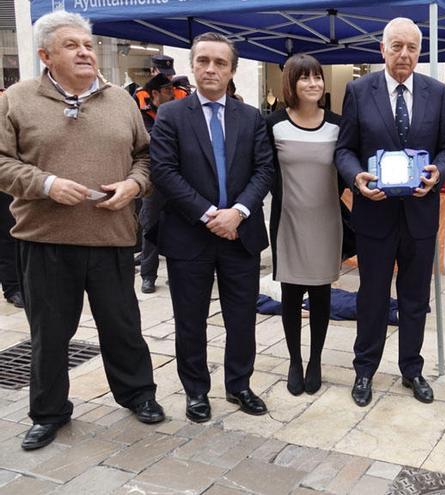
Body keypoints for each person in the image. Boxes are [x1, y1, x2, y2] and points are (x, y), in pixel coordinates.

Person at [0, 10, 165, 450]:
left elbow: (146, 158)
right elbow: (1, 163)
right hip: (45, 240)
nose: (85, 52)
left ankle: (138, 394)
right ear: (45, 56)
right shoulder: (16, 99)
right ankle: (49, 413)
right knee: (50, 334)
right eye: (72, 45)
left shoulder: (121, 101)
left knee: (123, 326)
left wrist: (134, 185)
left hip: (110, 237)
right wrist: (46, 184)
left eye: (88, 45)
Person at [150, 32, 275, 423]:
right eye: (203, 60)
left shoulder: (251, 116)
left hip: (240, 235)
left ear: (232, 70)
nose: (211, 68)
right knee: (190, 319)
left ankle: (239, 385)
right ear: (192, 65)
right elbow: (164, 172)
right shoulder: (171, 115)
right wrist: (209, 214)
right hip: (189, 235)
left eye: (220, 63)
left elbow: (264, 169)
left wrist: (237, 212)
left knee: (242, 318)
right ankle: (196, 391)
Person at [335, 17, 445, 407]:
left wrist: (439, 172)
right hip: (375, 215)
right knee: (371, 296)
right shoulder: (358, 90)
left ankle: (412, 369)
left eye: (412, 48)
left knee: (416, 298)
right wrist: (356, 178)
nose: (405, 54)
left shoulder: (436, 93)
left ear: (420, 53)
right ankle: (365, 370)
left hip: (420, 216)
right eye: (397, 46)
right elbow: (344, 150)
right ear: (381, 49)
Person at [267, 54, 342, 396]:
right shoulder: (274, 123)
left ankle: (315, 360)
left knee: (322, 294)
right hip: (288, 221)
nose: (313, 84)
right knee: (291, 295)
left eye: (317, 77)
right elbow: (264, 172)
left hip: (326, 220)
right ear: (291, 84)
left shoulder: (339, 125)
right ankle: (295, 361)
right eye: (304, 78)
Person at [138, 73, 176, 294]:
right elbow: (150, 142)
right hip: (153, 181)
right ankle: (148, 275)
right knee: (150, 227)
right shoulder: (142, 114)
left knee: (176, 228)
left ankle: (175, 273)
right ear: (155, 94)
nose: (172, 93)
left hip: (174, 180)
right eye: (167, 90)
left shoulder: (176, 113)